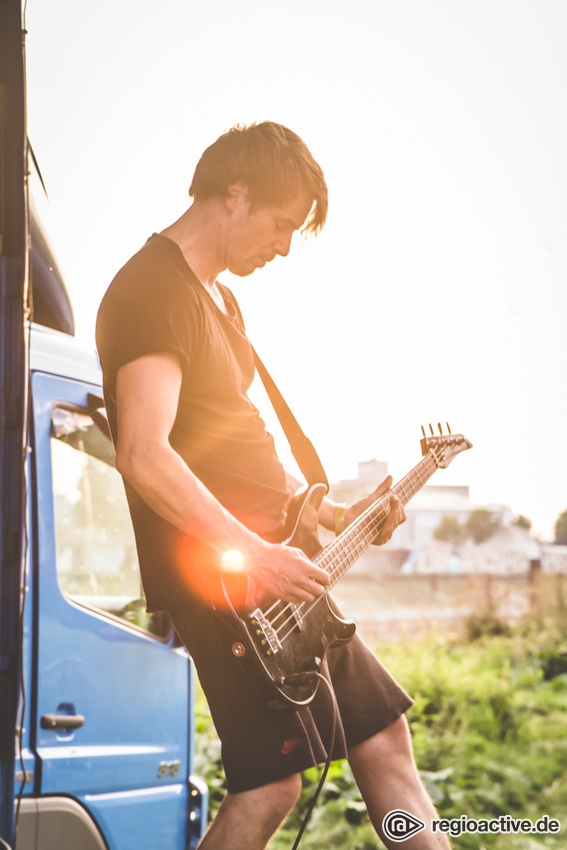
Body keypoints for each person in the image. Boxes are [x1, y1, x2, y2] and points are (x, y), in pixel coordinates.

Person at [96, 121, 450, 849]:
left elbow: (236, 451)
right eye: (282, 226)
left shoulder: (220, 302)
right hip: (226, 585)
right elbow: (143, 452)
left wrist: (323, 509)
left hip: (273, 576)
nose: (285, 247)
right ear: (235, 194)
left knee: (382, 738)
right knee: (268, 788)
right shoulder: (151, 289)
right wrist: (252, 552)